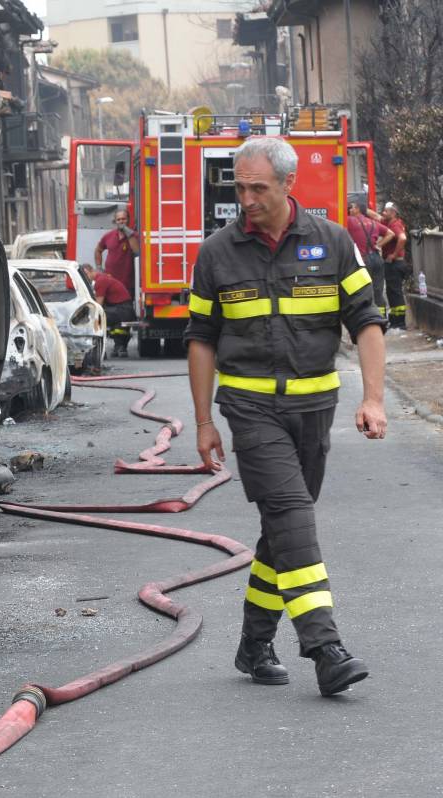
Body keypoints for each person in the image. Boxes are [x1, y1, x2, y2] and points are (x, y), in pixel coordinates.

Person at [185, 136, 386, 697]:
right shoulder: (217, 253)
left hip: (315, 409)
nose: (244, 199)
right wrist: (204, 422)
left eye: (257, 188)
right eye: (238, 187)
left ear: (288, 185)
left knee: (283, 531)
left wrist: (373, 398)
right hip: (250, 410)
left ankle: (253, 644)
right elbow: (201, 339)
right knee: (294, 514)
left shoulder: (334, 242)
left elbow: (366, 321)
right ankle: (324, 648)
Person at [94, 211, 139, 354]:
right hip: (110, 284)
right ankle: (116, 344)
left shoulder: (133, 236)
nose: (121, 221)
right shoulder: (108, 236)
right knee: (112, 316)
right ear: (115, 221)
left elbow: (137, 250)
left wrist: (128, 233)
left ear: (128, 220)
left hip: (127, 284)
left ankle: (122, 346)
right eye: (118, 219)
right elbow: (98, 249)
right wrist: (99, 267)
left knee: (125, 316)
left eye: (124, 219)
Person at [346, 200, 394, 319]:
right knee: (378, 291)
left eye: (351, 207)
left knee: (362, 291)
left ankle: (367, 319)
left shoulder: (349, 221)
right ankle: (381, 319)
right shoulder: (373, 223)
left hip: (363, 260)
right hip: (376, 259)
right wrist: (379, 245)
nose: (349, 210)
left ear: (357, 209)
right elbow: (391, 233)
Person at [367, 202, 409, 328]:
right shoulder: (388, 222)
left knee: (395, 292)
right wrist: (362, 207)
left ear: (393, 213)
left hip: (396, 263)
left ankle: (400, 322)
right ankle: (395, 320)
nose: (383, 213)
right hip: (394, 263)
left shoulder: (395, 225)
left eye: (386, 211)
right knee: (391, 291)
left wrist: (394, 255)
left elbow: (402, 238)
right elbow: (376, 216)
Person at [81, 262, 135, 357]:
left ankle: (99, 349)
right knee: (104, 318)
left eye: (85, 274)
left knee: (95, 320)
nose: (84, 278)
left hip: (122, 310)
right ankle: (119, 346)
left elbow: (98, 305)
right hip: (125, 310)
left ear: (90, 271)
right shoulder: (103, 278)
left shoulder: (100, 281)